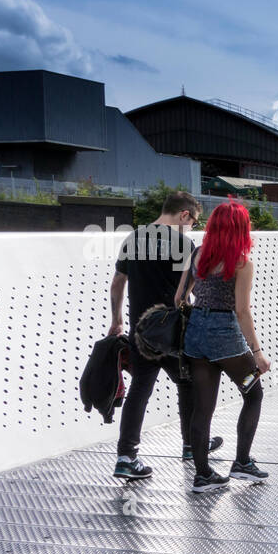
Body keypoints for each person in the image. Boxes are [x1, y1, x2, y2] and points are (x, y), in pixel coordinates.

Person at [107, 191, 221, 480]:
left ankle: (126, 456)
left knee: (140, 391)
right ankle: (191, 445)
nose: (193, 227)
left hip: (141, 331)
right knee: (188, 383)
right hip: (174, 332)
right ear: (184, 215)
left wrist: (117, 320)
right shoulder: (184, 244)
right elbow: (191, 290)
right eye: (193, 222)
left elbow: (118, 282)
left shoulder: (133, 238)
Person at [175, 198, 271, 493]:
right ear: (241, 229)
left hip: (197, 339)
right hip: (226, 341)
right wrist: (257, 354)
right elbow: (242, 311)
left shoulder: (199, 255)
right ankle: (242, 462)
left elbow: (180, 298)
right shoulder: (242, 263)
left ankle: (203, 475)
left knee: (202, 408)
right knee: (253, 393)